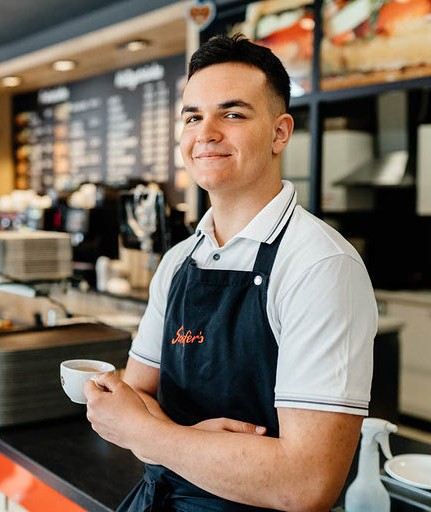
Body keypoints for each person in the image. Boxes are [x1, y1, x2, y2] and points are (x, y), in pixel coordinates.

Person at [84, 33, 377, 512]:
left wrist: (151, 435)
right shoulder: (178, 261)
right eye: (193, 116)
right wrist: (171, 436)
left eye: (233, 114)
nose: (206, 132)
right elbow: (127, 398)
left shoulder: (321, 266)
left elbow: (305, 483)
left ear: (281, 132)